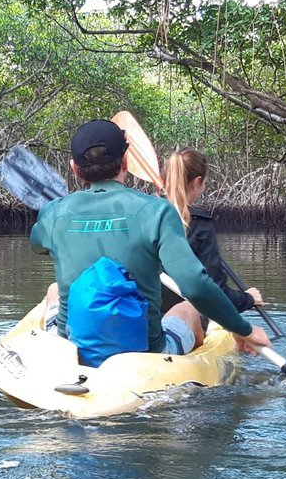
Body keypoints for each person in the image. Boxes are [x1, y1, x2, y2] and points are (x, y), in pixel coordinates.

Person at [31, 119, 271, 367]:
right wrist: (244, 329)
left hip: (71, 346)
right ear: (125, 161)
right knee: (189, 308)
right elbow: (196, 286)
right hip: (147, 352)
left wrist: (52, 218)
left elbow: (37, 244)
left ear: (74, 169)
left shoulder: (53, 213)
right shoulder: (158, 211)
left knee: (54, 289)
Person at [162, 148, 263, 313]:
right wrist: (248, 299)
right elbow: (217, 295)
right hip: (186, 320)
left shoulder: (145, 215)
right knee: (250, 336)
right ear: (197, 182)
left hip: (145, 318)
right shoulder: (200, 225)